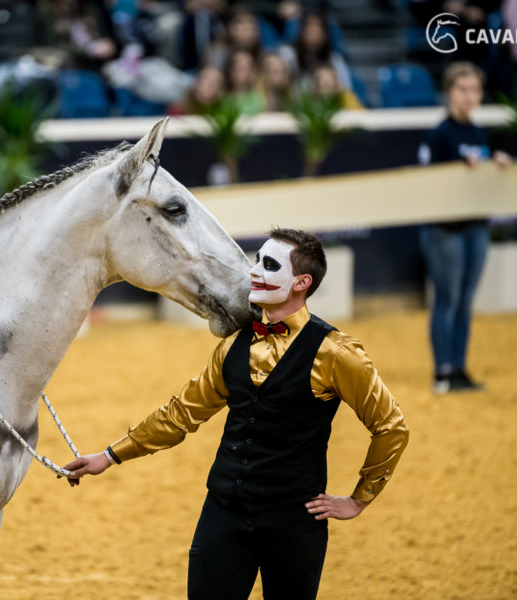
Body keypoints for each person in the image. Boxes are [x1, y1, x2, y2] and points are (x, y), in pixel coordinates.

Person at [65, 228, 409, 600]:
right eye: (257, 260)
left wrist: (359, 498)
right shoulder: (233, 344)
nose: (255, 271)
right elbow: (181, 413)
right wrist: (110, 455)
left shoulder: (337, 354)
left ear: (301, 282)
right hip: (224, 511)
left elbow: (391, 427)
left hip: (293, 522)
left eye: (270, 265)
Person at [417, 62, 511, 394]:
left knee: (466, 299)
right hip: (445, 229)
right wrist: (460, 170)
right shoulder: (439, 135)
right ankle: (443, 371)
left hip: (476, 226)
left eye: (475, 90)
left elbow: (481, 185)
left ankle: (459, 367)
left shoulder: (478, 132)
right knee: (448, 298)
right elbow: (428, 183)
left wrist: (494, 169)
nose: (470, 96)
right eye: (462, 89)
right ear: (448, 92)